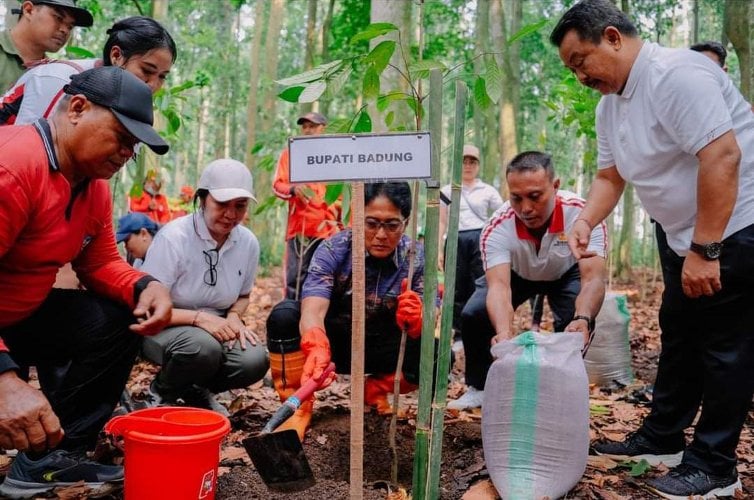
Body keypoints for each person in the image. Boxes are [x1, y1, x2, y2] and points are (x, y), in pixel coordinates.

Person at [551, 1, 754, 497]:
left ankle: (714, 465)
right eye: (571, 68)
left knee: (726, 347)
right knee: (680, 332)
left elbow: (722, 155)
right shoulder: (610, 105)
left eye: (582, 61)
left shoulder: (678, 76)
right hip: (679, 232)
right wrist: (584, 220)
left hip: (735, 226)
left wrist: (707, 249)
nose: (580, 76)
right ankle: (662, 436)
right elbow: (608, 175)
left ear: (614, 38)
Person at [0, 66, 172, 498]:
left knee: (117, 320)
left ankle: (50, 460)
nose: (126, 154)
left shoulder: (92, 185)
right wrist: (2, 378)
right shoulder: (15, 168)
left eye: (134, 147)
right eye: (121, 137)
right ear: (77, 108)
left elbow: (99, 263)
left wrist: (144, 285)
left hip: (19, 315)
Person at [448, 151, 607, 411]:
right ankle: (479, 387)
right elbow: (498, 287)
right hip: (517, 273)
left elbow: (593, 279)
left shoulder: (584, 217)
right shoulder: (497, 226)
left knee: (575, 323)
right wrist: (503, 333)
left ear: (555, 186)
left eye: (535, 196)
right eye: (516, 198)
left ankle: (562, 389)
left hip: (566, 272)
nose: (526, 208)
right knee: (474, 314)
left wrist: (583, 317)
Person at [266, 182, 426, 441]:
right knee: (284, 316)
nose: (381, 235)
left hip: (382, 346)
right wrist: (315, 341)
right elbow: (312, 309)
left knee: (439, 354)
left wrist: (419, 321)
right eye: (372, 223)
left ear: (405, 223)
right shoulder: (333, 249)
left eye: (392, 225)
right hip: (335, 344)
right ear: (358, 217)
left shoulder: (415, 258)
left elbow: (430, 313)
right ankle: (298, 406)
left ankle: (375, 389)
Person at [139, 159, 269, 417]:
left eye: (240, 206)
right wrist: (199, 319)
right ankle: (161, 392)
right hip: (163, 325)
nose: (231, 214)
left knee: (254, 360)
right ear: (202, 200)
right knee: (202, 347)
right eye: (222, 204)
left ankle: (196, 389)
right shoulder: (174, 238)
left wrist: (233, 316)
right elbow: (146, 307)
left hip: (216, 326)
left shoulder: (248, 243)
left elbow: (243, 296)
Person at [1, 15, 176, 125]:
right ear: (116, 56)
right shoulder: (61, 81)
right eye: (146, 70)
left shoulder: (130, 105)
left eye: (162, 77)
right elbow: (26, 154)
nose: (153, 85)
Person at [272, 111, 342, 299]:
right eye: (305, 126)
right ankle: (292, 320)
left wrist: (336, 209)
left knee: (327, 277)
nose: (308, 130)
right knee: (296, 279)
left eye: (313, 126)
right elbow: (278, 185)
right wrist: (294, 189)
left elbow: (345, 193)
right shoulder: (290, 154)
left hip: (328, 230)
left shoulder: (335, 156)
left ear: (323, 128)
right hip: (299, 229)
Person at [438, 144, 503, 347]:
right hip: (455, 238)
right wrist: (440, 248)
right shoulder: (447, 190)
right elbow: (441, 221)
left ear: (478, 165)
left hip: (479, 239)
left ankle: (477, 329)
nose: (468, 166)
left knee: (478, 284)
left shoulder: (488, 191)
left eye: (472, 162)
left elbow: (500, 215)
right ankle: (458, 333)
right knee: (455, 287)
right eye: (464, 161)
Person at [0, 0, 92, 93]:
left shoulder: (52, 74)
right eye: (58, 18)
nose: (65, 30)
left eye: (70, 27)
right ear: (29, 10)